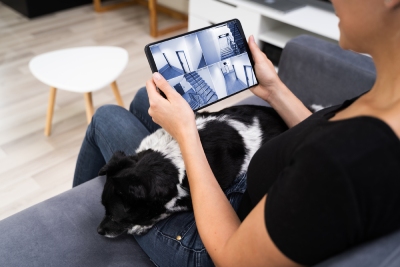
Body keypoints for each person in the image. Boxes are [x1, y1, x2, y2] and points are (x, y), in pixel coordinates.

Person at [73, 0, 400, 266]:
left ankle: (79, 223)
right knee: (148, 101)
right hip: (254, 185)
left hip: (216, 237)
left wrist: (187, 133)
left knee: (106, 117)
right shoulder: (386, 101)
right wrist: (274, 91)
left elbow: (233, 257)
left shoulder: (341, 164)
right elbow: (320, 133)